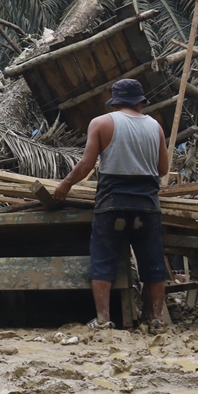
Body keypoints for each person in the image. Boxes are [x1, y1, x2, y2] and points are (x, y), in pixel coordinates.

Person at [54, 78, 169, 331]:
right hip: (147, 205)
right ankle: (156, 319)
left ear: (115, 102)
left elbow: (86, 165)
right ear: (140, 102)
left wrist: (65, 185)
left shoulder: (102, 122)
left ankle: (104, 319)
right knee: (153, 262)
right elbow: (163, 169)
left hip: (112, 203)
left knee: (103, 261)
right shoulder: (155, 127)